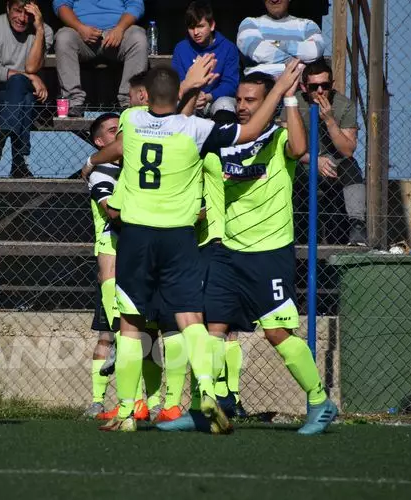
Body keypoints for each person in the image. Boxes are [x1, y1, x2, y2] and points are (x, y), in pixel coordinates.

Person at [86, 58, 305, 432]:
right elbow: (252, 130)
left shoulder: (133, 121)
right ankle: (206, 391)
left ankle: (125, 412)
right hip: (179, 237)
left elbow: (124, 143)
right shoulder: (196, 130)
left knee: (130, 325)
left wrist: (92, 159)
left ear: (145, 95)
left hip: (137, 236)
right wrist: (282, 86)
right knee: (190, 320)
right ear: (180, 93)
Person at [162, 71, 339, 434]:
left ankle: (320, 401)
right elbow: (179, 132)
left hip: (269, 253)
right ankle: (205, 407)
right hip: (226, 252)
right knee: (211, 328)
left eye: (251, 100)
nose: (242, 106)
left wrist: (289, 97)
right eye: (240, 99)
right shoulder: (222, 138)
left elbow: (299, 150)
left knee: (276, 334)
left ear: (269, 103)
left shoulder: (279, 137)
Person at [83, 112, 160, 422]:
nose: (121, 134)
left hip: (141, 258)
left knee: (147, 335)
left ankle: (152, 402)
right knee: (110, 334)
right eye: (114, 130)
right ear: (100, 141)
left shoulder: (140, 167)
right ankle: (98, 401)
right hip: (113, 259)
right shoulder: (101, 172)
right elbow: (111, 212)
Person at [289, 59, 365, 245]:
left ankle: (357, 225)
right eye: (314, 87)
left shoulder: (344, 105)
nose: (320, 91)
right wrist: (313, 160)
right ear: (304, 87)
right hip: (303, 162)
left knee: (351, 166)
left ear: (332, 84)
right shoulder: (294, 103)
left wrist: (330, 121)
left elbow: (347, 150)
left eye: (325, 85)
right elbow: (286, 145)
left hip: (334, 166)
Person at [0, 0, 53, 178]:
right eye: (17, 11)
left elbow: (32, 67)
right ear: (7, 7)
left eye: (27, 13)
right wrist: (30, 77)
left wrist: (39, 30)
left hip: (26, 94)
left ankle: (1, 137)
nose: (22, 18)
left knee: (20, 87)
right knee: (23, 97)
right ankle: (19, 162)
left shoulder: (45, 31)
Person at [53, 0, 147, 114]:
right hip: (81, 34)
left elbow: (135, 4)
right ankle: (74, 103)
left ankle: (130, 103)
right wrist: (80, 27)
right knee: (63, 38)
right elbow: (61, 5)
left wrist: (120, 28)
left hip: (118, 34)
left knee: (138, 38)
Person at [172, 1, 239, 116]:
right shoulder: (181, 48)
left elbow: (231, 83)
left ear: (212, 25)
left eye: (200, 26)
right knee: (174, 105)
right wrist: (193, 96)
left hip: (215, 99)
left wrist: (208, 96)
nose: (195, 32)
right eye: (191, 27)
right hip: (188, 98)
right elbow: (178, 81)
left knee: (225, 105)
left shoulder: (228, 48)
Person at [237, 0, 326, 77]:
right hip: (260, 84)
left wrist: (277, 43)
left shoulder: (308, 25)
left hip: (298, 85)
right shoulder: (249, 23)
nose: (274, 0)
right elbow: (257, 51)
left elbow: (315, 51)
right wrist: (295, 62)